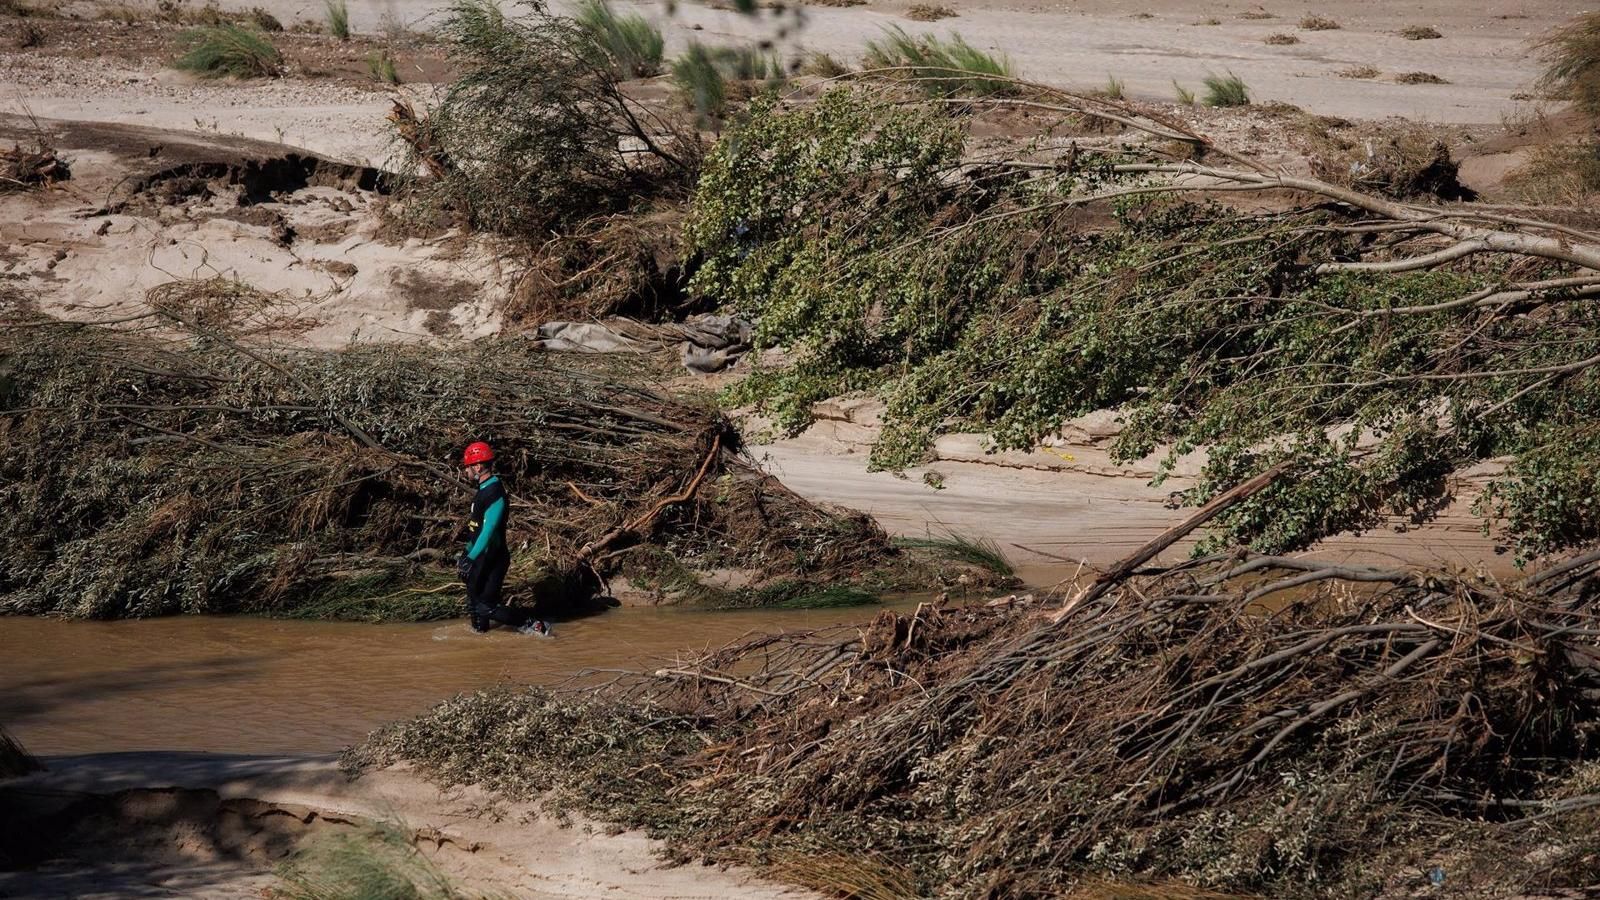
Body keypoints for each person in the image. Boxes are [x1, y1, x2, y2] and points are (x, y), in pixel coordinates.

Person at [457, 441, 549, 636]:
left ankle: (535, 625)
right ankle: (480, 643)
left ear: (478, 466)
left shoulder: (495, 492)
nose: (465, 471)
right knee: (474, 605)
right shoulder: (483, 489)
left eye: (467, 466)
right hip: (479, 556)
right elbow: (475, 528)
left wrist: (471, 557)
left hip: (493, 559)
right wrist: (466, 553)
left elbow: (488, 530)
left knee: (486, 607)